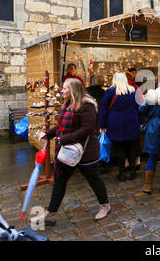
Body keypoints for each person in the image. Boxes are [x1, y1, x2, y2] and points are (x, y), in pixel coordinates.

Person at [32, 78, 110, 225]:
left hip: (86, 152)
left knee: (94, 180)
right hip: (68, 152)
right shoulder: (68, 104)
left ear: (73, 90)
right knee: (59, 181)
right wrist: (48, 134)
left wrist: (63, 139)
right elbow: (62, 126)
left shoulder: (87, 106)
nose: (62, 91)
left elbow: (86, 129)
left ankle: (105, 206)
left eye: (64, 88)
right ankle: (51, 214)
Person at [99, 72, 141, 181]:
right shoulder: (133, 90)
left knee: (119, 149)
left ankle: (121, 173)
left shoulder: (109, 92)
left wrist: (102, 125)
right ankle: (133, 173)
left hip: (115, 123)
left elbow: (103, 110)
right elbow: (139, 108)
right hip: (132, 122)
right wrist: (141, 121)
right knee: (131, 148)